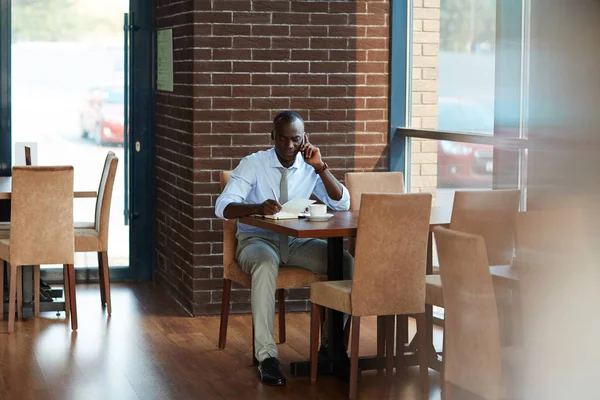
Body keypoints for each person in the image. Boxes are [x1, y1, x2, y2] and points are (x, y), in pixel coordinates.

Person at [215, 111, 353, 386]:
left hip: (295, 242)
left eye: (295, 139)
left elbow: (342, 204)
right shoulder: (253, 164)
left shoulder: (309, 166)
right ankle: (267, 358)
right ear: (272, 137)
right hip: (257, 241)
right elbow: (222, 207)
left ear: (304, 139)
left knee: (346, 264)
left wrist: (320, 167)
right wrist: (257, 207)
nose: (289, 146)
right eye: (282, 138)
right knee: (265, 267)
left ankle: (332, 347)